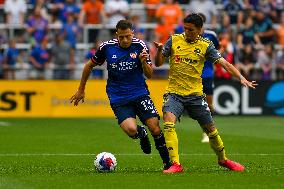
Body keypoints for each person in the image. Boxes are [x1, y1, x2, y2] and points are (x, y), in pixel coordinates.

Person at [154, 13, 257, 173]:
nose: (187, 32)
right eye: (185, 28)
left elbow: (224, 63)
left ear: (200, 30)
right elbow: (158, 63)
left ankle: (223, 160)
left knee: (211, 130)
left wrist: (242, 78)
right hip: (174, 93)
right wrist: (160, 51)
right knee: (168, 123)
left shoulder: (206, 45)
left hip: (195, 95)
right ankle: (175, 164)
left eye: (191, 30)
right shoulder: (174, 40)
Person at [70, 20, 174, 172]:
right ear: (117, 35)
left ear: (133, 33)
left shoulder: (140, 46)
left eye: (128, 36)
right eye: (122, 37)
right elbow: (89, 66)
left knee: (155, 128)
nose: (125, 40)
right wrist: (81, 89)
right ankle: (142, 134)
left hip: (139, 93)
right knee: (132, 130)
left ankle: (168, 164)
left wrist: (144, 62)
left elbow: (150, 75)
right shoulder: (107, 47)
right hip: (118, 96)